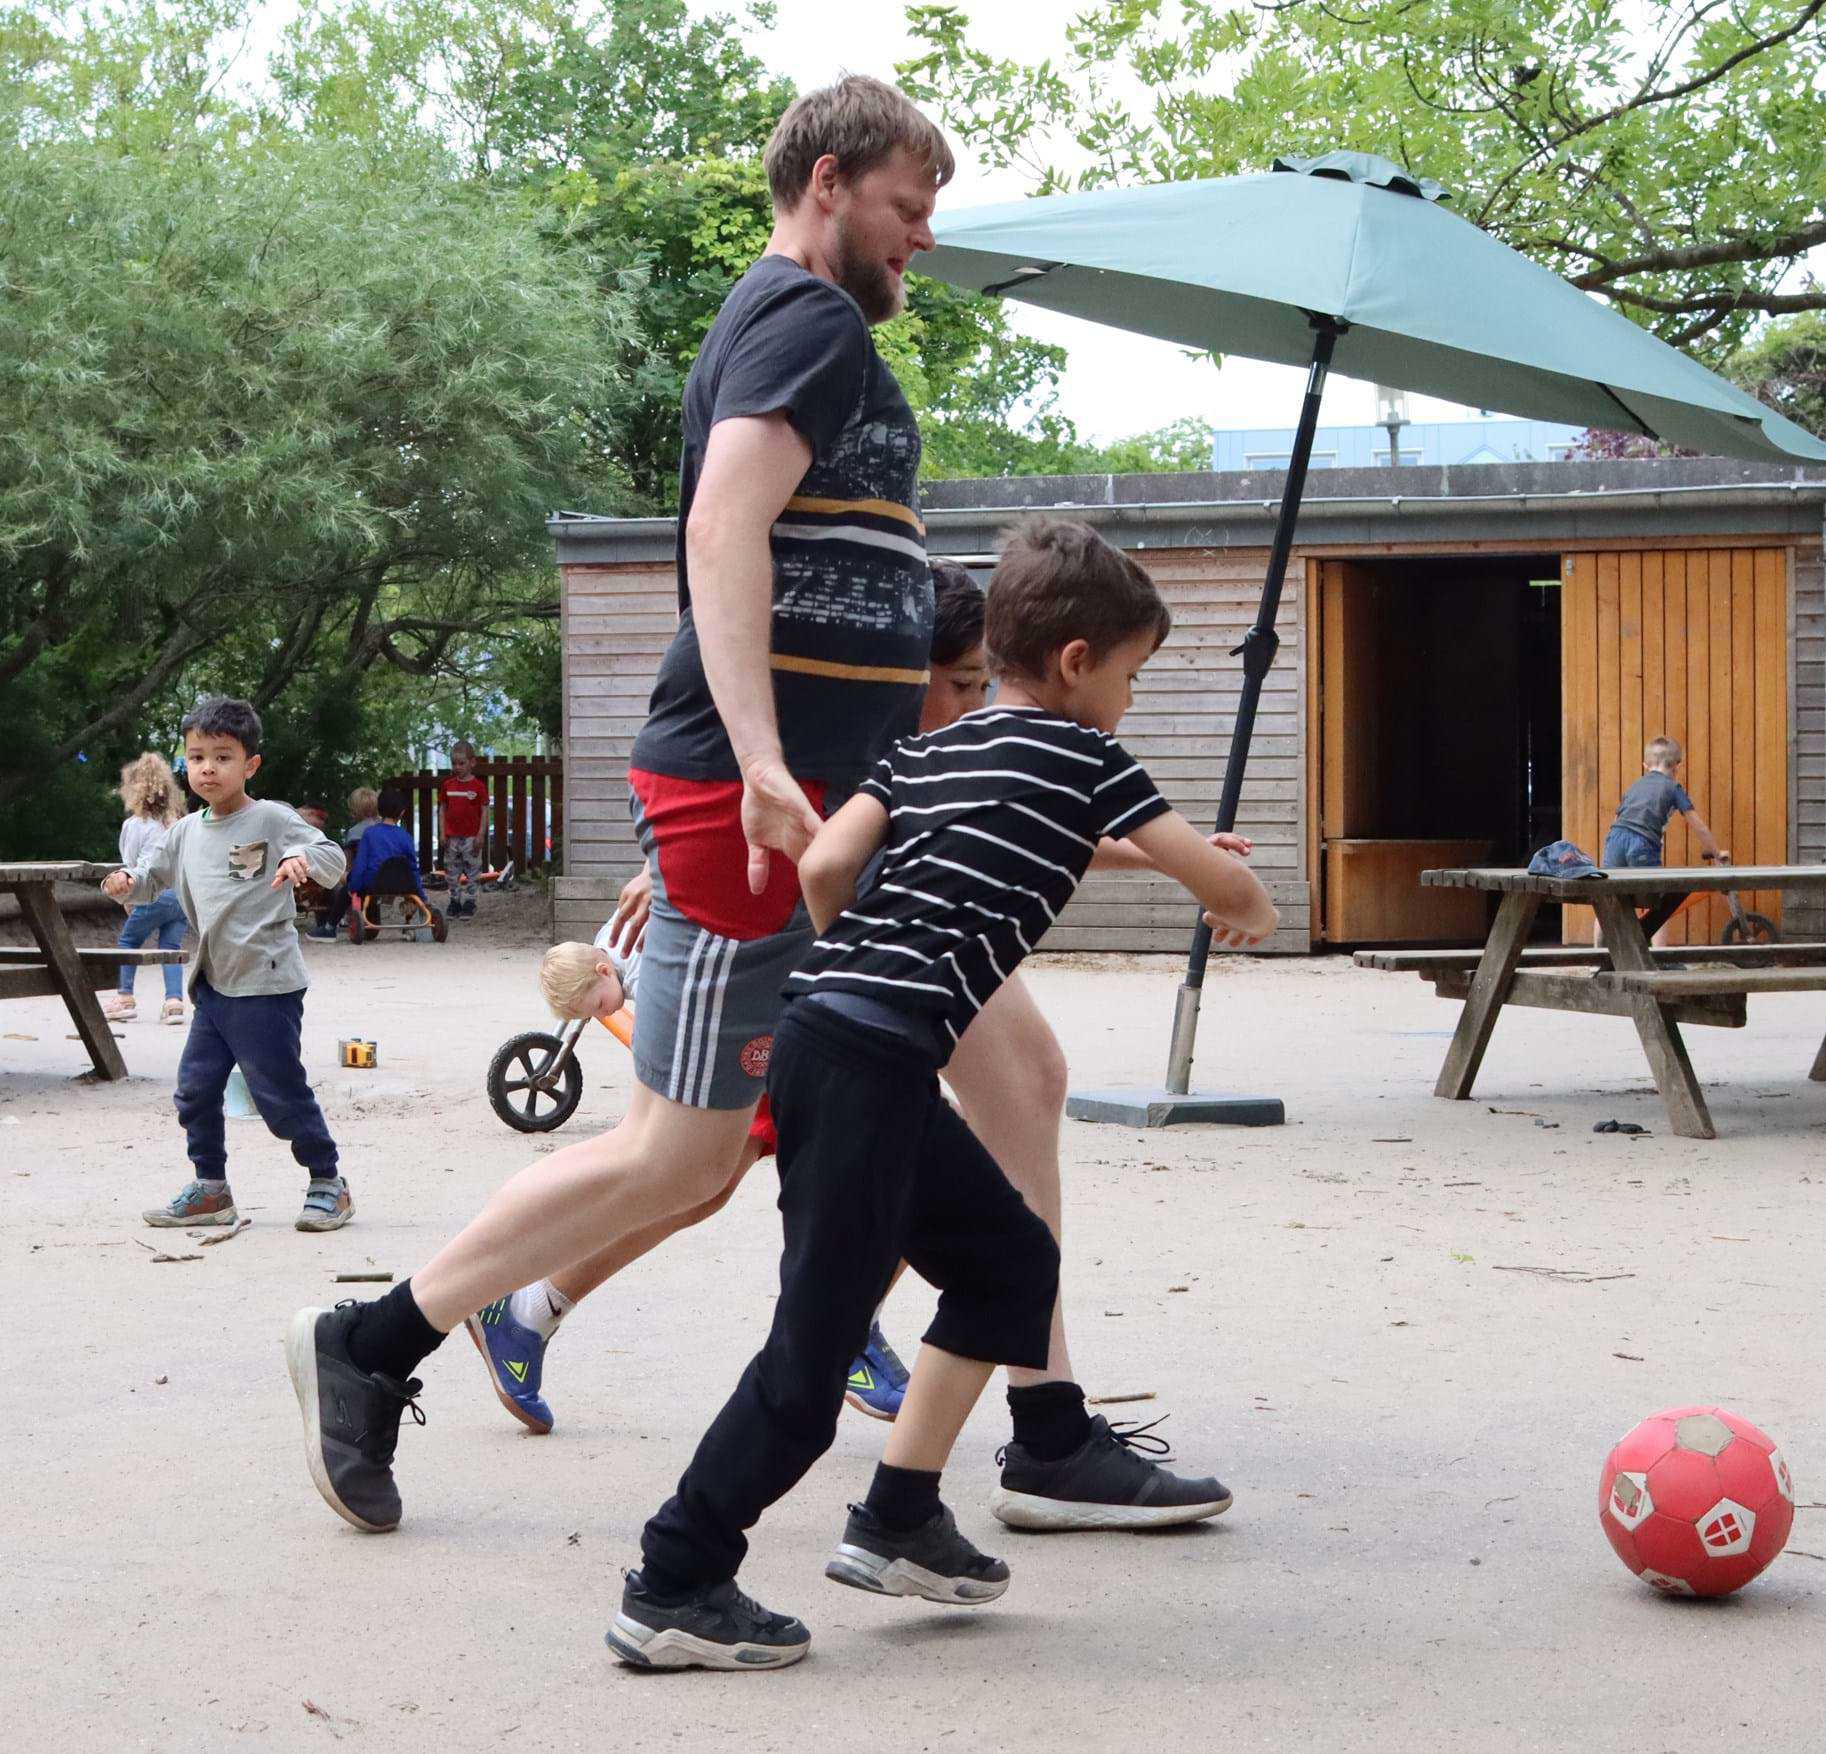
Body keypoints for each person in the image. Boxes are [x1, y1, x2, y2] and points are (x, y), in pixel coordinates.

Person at [284, 73, 960, 1539]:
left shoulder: (795, 318)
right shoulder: (811, 317)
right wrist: (762, 750)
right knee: (680, 1149)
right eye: (909, 211)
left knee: (739, 1143)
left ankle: (971, 1381)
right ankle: (377, 1335)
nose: (920, 243)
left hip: (796, 790)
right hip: (755, 795)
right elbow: (723, 524)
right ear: (831, 182)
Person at [604, 517, 1278, 1669]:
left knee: (1010, 1260)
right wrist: (1243, 901)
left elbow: (825, 866)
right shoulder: (1092, 759)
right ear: (1076, 662)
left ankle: (902, 1513)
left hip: (831, 1033)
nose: (1128, 695)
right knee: (807, 1363)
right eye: (1131, 671)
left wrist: (851, 980)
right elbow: (1215, 876)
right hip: (870, 1062)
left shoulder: (926, 752)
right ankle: (676, 1577)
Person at [471, 565, 1253, 1541]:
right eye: (960, 684)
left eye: (982, 682)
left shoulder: (952, 740)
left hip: (882, 965)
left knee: (1005, 1099)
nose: (974, 703)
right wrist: (677, 872)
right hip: (848, 962)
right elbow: (784, 811)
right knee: (706, 1169)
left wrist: (1179, 855)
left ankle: (1017, 1424)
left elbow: (1023, 822)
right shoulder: (869, 730)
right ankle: (518, 1315)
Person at [102, 696, 354, 1231]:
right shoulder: (185, 832)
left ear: (250, 765)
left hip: (265, 984)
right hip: (213, 986)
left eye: (222, 756)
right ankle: (211, 1190)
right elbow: (151, 878)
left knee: (278, 1094)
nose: (208, 768)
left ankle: (328, 1181)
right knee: (194, 1090)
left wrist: (300, 858)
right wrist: (126, 883)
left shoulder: (272, 819)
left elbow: (332, 857)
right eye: (196, 758)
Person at [1598, 736, 1728, 947]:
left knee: (1607, 897)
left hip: (1615, 839)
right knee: (1658, 905)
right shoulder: (1672, 788)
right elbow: (1698, 825)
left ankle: (1598, 955)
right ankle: (1660, 957)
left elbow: (1617, 819)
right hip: (1642, 842)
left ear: (1645, 765)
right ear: (1677, 766)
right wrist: (1716, 851)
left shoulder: (1634, 786)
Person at [103, 753, 189, 1025]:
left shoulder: (134, 825)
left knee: (128, 942)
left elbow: (131, 865)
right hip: (179, 896)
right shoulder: (175, 823)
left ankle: (124, 996)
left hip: (152, 892)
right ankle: (174, 1002)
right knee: (170, 947)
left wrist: (128, 897)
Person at [343, 787, 430, 911]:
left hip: (374, 884)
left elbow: (360, 864)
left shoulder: (369, 833)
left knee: (346, 884)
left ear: (379, 809)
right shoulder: (406, 836)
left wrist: (354, 887)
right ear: (402, 813)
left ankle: (330, 925)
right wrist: (420, 894)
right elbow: (412, 868)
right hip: (401, 884)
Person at [312, 788, 381, 940]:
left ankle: (329, 926)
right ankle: (370, 920)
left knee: (338, 884)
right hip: (386, 876)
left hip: (364, 877)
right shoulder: (384, 829)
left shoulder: (355, 833)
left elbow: (347, 862)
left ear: (355, 811)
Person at [439, 742, 489, 918]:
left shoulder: (478, 787)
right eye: (454, 763)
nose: (457, 767)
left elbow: (484, 811)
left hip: (471, 837)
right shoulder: (448, 786)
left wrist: (481, 834)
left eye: (461, 763)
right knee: (451, 871)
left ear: (472, 763)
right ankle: (454, 901)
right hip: (452, 837)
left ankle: (470, 901)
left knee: (473, 870)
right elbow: (442, 809)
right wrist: (442, 832)